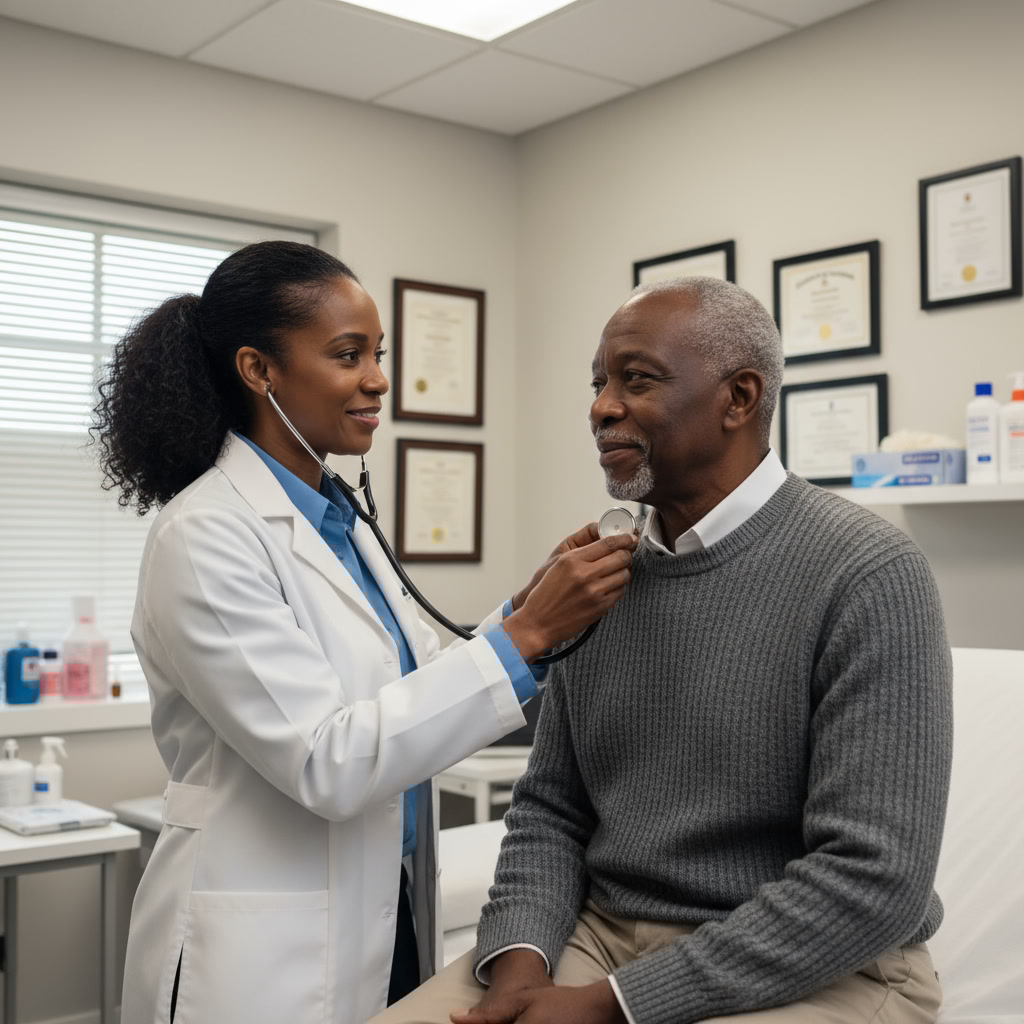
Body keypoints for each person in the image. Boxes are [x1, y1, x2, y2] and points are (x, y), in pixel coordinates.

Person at [373, 276, 953, 1024]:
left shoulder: (869, 572)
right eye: (599, 383)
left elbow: (872, 881)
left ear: (739, 398)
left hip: (825, 964)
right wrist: (519, 961)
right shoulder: (597, 579)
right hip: (606, 938)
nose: (601, 406)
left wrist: (609, 1008)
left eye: (635, 379)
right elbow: (550, 808)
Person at [92, 240, 636, 1024]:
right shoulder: (204, 535)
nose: (378, 379)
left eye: (378, 354)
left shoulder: (336, 520)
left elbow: (407, 691)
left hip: (381, 911)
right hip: (260, 954)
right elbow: (328, 760)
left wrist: (526, 613)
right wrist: (523, 637)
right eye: (349, 355)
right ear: (260, 370)